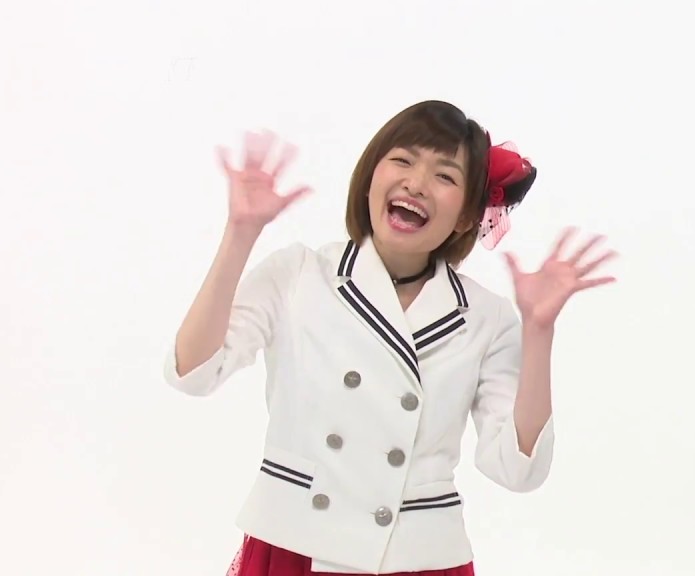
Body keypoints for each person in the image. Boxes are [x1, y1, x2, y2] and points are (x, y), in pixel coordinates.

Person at [165, 100, 616, 575]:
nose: (416, 183)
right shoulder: (298, 273)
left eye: (444, 176)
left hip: (420, 558)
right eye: (403, 160)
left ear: (467, 216)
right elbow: (192, 373)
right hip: (297, 543)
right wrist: (239, 234)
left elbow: (517, 470)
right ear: (370, 178)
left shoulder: (487, 317)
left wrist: (539, 330)